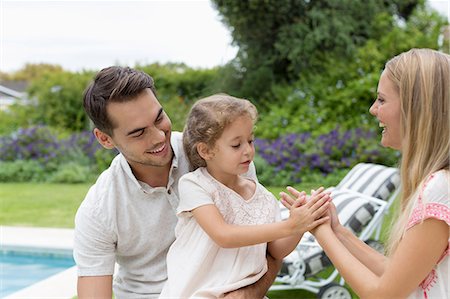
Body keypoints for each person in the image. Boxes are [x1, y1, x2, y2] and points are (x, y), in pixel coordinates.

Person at [74, 67, 282, 298]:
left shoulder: (222, 156)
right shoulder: (99, 209)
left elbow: (269, 250)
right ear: (105, 139)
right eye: (139, 132)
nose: (159, 137)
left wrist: (246, 295)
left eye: (159, 118)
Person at [282, 48, 450, 299]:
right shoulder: (439, 182)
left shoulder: (440, 188)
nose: (373, 109)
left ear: (416, 109)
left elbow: (382, 295)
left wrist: (320, 231)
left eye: (382, 100)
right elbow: (395, 274)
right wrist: (338, 231)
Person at [160, 94, 331, 298]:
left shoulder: (264, 198)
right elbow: (223, 235)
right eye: (236, 145)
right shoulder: (196, 185)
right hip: (195, 293)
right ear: (206, 151)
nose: (248, 151)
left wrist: (300, 226)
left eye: (250, 140)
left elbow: (276, 251)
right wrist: (289, 226)